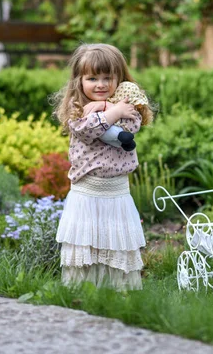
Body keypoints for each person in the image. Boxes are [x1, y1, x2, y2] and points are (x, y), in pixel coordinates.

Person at [53, 43, 153, 290]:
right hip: (87, 193)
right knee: (87, 243)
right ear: (79, 80)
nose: (101, 84)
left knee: (114, 243)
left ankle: (116, 291)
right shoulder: (76, 110)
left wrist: (111, 108)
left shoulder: (127, 106)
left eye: (108, 77)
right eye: (92, 78)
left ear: (119, 78)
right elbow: (88, 130)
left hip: (116, 193)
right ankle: (82, 291)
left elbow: (129, 129)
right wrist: (111, 113)